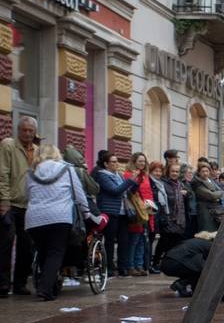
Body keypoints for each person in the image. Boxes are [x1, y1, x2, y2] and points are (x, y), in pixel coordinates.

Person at [24, 145, 90, 301]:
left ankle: (49, 285)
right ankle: (45, 289)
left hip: (34, 218)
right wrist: (86, 212)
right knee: (55, 252)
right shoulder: (67, 169)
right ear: (56, 154)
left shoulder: (30, 172)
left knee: (43, 252)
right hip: (59, 216)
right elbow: (78, 193)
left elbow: (26, 195)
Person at [0, 116, 38, 296]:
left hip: (29, 206)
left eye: (31, 131)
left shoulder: (38, 151)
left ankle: (20, 284)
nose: (28, 133)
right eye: (24, 130)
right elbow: (3, 173)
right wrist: (4, 200)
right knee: (5, 245)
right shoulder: (8, 145)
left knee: (27, 247)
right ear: (18, 130)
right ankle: (3, 284)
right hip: (10, 204)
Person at [95, 152, 138, 277]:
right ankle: (108, 267)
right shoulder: (102, 176)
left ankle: (122, 267)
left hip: (123, 212)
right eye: (113, 162)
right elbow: (115, 191)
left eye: (116, 161)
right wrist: (130, 181)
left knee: (123, 241)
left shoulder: (119, 175)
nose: (116, 164)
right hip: (110, 211)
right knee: (109, 241)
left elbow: (128, 192)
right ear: (106, 164)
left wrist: (135, 182)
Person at [157, 163, 187, 265]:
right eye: (173, 171)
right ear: (168, 172)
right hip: (168, 216)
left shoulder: (181, 184)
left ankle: (168, 262)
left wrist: (186, 194)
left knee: (174, 243)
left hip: (179, 218)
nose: (175, 173)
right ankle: (156, 262)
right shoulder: (163, 184)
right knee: (164, 242)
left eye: (177, 172)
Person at [192, 162, 224, 235]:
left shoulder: (211, 180)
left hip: (215, 211)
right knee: (207, 232)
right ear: (199, 172)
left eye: (207, 171)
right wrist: (217, 194)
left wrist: (218, 194)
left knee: (216, 232)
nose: (205, 173)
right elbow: (211, 195)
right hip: (205, 211)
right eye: (203, 171)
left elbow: (221, 192)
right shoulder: (197, 182)